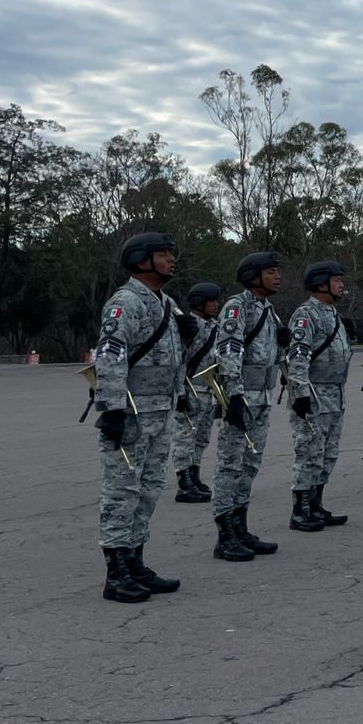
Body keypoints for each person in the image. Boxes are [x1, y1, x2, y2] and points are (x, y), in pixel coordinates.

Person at [93, 232, 184, 603]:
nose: (171, 260)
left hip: (160, 410)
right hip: (130, 411)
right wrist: (111, 408)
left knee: (147, 490)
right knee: (122, 491)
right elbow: (110, 355)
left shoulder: (165, 302)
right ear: (141, 260)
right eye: (163, 254)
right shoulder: (125, 302)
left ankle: (134, 561)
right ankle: (115, 573)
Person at [212, 252, 283, 562]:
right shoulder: (236, 307)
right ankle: (224, 535)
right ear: (253, 276)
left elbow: (272, 354)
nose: (277, 277)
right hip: (241, 398)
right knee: (230, 466)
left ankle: (241, 528)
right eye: (270, 272)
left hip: (262, 398)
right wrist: (234, 395)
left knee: (249, 465)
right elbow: (228, 350)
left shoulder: (269, 311)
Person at [285, 261, 353, 533]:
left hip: (334, 394)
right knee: (309, 453)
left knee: (328, 453)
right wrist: (300, 392)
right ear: (321, 284)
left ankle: (316, 504)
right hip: (313, 393)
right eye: (336, 281)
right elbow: (298, 355)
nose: (341, 285)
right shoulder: (306, 314)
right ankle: (300, 511)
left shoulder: (333, 314)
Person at [172, 281, 223, 504]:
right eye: (211, 301)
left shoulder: (216, 327)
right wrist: (179, 393)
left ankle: (194, 474)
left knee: (201, 438)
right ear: (199, 303)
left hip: (208, 390)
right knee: (185, 437)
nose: (216, 305)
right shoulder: (187, 325)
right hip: (190, 388)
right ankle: (184, 482)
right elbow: (179, 360)